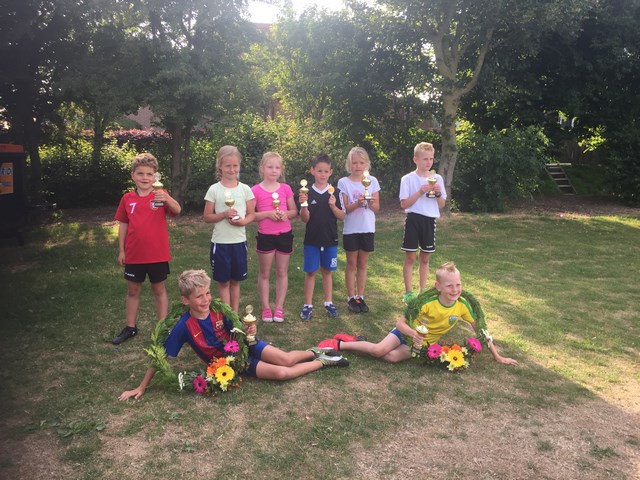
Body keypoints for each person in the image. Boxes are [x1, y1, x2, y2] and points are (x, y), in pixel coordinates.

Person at [118, 270, 348, 400]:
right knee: (281, 373)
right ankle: (323, 361)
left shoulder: (219, 310)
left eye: (208, 293)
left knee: (286, 359)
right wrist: (141, 387)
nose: (206, 300)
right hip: (232, 363)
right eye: (199, 296)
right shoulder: (184, 326)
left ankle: (315, 351)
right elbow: (160, 357)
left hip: (247, 346)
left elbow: (239, 330)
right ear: (185, 300)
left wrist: (250, 331)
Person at [317, 262, 518, 365]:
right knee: (378, 351)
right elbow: (400, 323)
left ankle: (359, 342)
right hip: (405, 333)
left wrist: (498, 356)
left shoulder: (463, 306)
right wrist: (414, 334)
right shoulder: (426, 303)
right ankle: (341, 344)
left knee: (391, 358)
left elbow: (481, 331)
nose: (455, 290)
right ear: (438, 286)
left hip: (424, 345)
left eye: (458, 285)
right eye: (449, 286)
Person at [112, 153, 181, 345]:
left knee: (159, 289)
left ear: (155, 176)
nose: (145, 178)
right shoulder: (127, 198)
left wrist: (166, 198)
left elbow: (177, 210)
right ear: (133, 175)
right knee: (133, 290)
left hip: (157, 254)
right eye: (140, 173)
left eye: (149, 174)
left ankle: (162, 328)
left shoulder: (160, 194)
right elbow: (123, 225)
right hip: (134, 255)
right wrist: (121, 250)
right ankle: (130, 327)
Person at [203, 146, 256, 313]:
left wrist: (243, 222)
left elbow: (252, 214)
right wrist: (223, 214)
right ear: (220, 166)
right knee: (224, 282)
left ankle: (234, 315)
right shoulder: (214, 189)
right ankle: (226, 314)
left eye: (235, 165)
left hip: (239, 242)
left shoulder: (245, 189)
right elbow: (207, 217)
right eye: (228, 166)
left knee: (235, 281)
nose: (232, 169)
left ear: (239, 165)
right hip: (220, 243)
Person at [298, 153, 345, 321]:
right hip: (312, 240)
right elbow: (305, 219)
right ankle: (308, 305)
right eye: (319, 171)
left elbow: (342, 216)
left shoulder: (336, 192)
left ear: (331, 172)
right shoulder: (306, 192)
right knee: (311, 272)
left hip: (330, 240)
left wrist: (333, 206)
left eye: (326, 171)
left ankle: (328, 302)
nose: (322, 174)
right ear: (312, 171)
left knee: (327, 272)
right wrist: (304, 205)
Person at [251, 152, 298, 323]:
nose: (274, 170)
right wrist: (267, 214)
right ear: (262, 168)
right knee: (264, 273)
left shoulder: (285, 188)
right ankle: (265, 307)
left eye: (277, 167)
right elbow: (251, 215)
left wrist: (286, 214)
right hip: (266, 235)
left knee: (282, 272)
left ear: (281, 170)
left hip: (284, 234)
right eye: (270, 167)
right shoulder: (255, 190)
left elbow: (294, 211)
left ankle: (279, 307)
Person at [399, 142, 446, 305]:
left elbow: (442, 204)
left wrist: (437, 193)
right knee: (410, 257)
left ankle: (422, 291)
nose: (429, 162)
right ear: (415, 159)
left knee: (425, 258)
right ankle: (408, 293)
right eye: (425, 159)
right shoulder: (407, 179)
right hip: (413, 219)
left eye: (431, 159)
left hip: (429, 220)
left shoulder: (437, 178)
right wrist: (420, 191)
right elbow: (404, 204)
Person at [337, 146, 380, 314]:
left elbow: (376, 207)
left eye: (361, 163)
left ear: (367, 164)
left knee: (362, 264)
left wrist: (369, 202)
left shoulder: (372, 181)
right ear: (349, 164)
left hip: (367, 228)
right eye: (354, 163)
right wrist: (357, 203)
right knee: (351, 264)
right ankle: (350, 297)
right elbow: (345, 209)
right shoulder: (343, 182)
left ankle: (360, 296)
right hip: (351, 229)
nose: (358, 166)